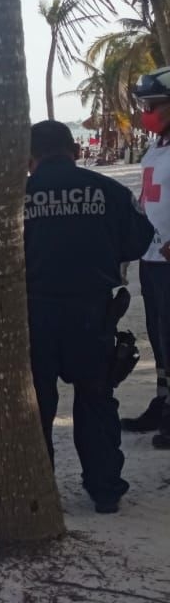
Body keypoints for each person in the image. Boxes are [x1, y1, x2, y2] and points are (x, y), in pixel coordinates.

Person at [24, 120, 153, 513]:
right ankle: (105, 489)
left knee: (37, 405)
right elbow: (139, 239)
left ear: (29, 159)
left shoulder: (17, 195)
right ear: (75, 151)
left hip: (36, 311)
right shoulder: (109, 190)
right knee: (95, 400)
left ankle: (37, 490)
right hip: (91, 311)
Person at [124, 66, 170, 441]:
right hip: (152, 256)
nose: (147, 112)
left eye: (154, 105)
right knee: (159, 335)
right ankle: (163, 402)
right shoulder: (157, 146)